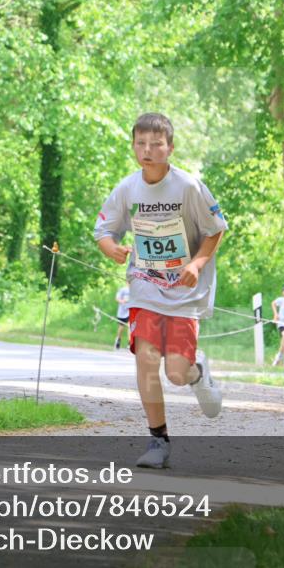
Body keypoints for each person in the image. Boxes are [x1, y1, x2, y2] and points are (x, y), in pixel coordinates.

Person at [94, 112, 227, 469]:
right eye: (141, 144)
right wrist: (112, 248)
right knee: (147, 361)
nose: (148, 151)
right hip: (145, 286)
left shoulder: (189, 187)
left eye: (156, 144)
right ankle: (158, 441)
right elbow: (103, 231)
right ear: (133, 146)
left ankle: (198, 373)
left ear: (171, 147)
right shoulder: (126, 189)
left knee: (176, 373)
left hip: (184, 292)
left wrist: (196, 264)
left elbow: (216, 229)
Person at [114, 285, 131, 350]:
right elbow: (117, 298)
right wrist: (123, 301)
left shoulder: (135, 290)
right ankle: (118, 340)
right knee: (121, 327)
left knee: (130, 326)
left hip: (130, 311)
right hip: (122, 311)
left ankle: (129, 343)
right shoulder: (123, 289)